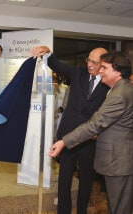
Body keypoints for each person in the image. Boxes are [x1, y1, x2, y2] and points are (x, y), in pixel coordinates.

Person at [49, 51, 133, 214]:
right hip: (116, 154)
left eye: (104, 67)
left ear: (117, 71)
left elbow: (96, 123)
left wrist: (63, 141)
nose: (100, 70)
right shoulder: (122, 89)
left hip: (118, 159)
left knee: (120, 207)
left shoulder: (119, 94)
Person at [31, 46, 109, 214]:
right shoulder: (78, 73)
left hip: (89, 138)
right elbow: (57, 65)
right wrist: (48, 53)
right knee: (64, 177)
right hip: (66, 136)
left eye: (94, 62)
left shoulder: (108, 84)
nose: (89, 65)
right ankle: (63, 211)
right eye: (88, 60)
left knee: (86, 177)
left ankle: (82, 210)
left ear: (103, 63)